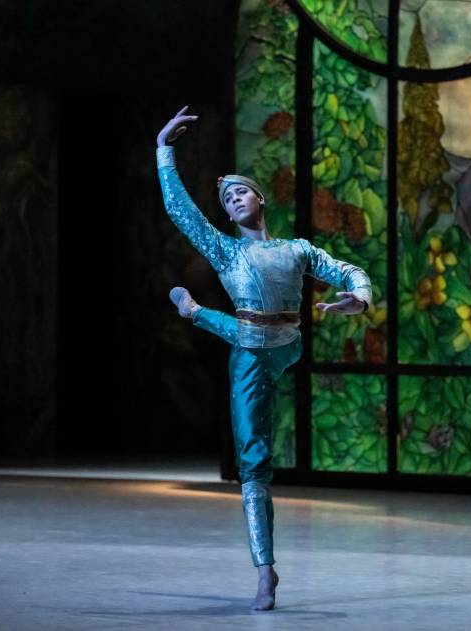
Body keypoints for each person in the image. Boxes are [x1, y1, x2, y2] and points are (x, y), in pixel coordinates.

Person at [156, 106, 372, 611]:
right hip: (252, 353)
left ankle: (196, 312)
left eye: (240, 192)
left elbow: (348, 268)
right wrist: (164, 149)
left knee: (256, 337)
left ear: (260, 198)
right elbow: (182, 211)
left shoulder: (297, 249)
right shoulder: (227, 251)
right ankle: (266, 571)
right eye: (227, 199)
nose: (233, 201)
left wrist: (357, 297)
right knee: (255, 464)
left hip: (285, 343)